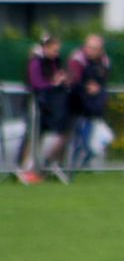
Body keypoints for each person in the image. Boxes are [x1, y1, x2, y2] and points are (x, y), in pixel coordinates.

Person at [19, 34, 71, 183]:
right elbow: (36, 83)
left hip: (48, 106)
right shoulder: (35, 61)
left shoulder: (54, 61)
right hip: (34, 105)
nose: (57, 54)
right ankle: (24, 169)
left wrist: (63, 80)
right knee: (32, 136)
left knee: (41, 137)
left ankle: (36, 170)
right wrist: (53, 83)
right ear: (45, 48)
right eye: (54, 50)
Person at [66, 34, 112, 169]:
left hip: (92, 108)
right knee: (75, 139)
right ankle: (67, 167)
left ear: (100, 50)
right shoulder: (77, 60)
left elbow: (103, 81)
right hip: (74, 105)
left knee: (88, 141)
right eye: (88, 47)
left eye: (94, 48)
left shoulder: (104, 61)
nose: (90, 51)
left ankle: (79, 166)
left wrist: (99, 88)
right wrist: (86, 88)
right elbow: (73, 82)